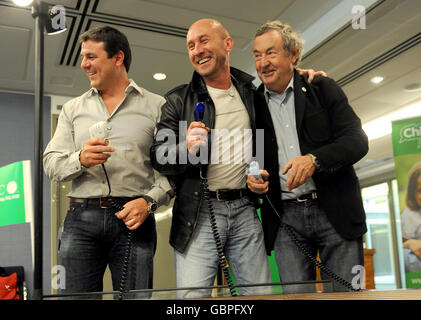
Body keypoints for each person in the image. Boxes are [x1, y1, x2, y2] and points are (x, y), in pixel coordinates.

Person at [150, 18, 321, 298]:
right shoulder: (179, 100)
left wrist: (257, 175)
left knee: (259, 296)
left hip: (244, 210)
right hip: (198, 213)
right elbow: (159, 155)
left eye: (204, 40)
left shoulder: (253, 95)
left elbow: (259, 146)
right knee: (192, 300)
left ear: (227, 44)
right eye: (191, 45)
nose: (197, 50)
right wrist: (185, 147)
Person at [43, 26, 173, 297]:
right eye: (82, 57)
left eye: (91, 56)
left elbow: (174, 171)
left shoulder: (157, 106)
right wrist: (80, 159)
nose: (84, 64)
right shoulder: (72, 109)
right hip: (80, 220)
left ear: (118, 58)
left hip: (134, 218)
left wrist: (149, 202)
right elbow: (51, 164)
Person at [247, 21, 369, 293]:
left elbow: (357, 141)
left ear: (293, 54)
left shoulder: (321, 87)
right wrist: (253, 178)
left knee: (346, 296)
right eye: (257, 55)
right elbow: (254, 156)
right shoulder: (252, 105)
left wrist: (314, 159)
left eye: (271, 53)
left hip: (335, 212)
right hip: (286, 220)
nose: (263, 63)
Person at [401, 161, 421, 273]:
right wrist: (410, 243)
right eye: (420, 190)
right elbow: (402, 243)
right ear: (412, 193)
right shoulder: (409, 215)